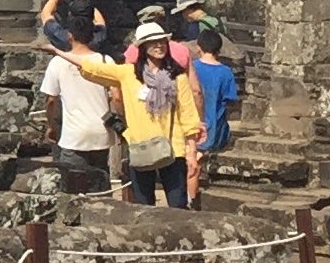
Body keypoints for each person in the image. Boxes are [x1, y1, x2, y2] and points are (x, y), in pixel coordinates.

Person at [72, 20, 203, 207]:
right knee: (143, 205)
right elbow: (93, 68)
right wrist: (58, 52)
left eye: (161, 41)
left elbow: (188, 116)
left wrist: (192, 152)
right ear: (143, 47)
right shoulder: (129, 74)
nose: (159, 46)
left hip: (173, 148)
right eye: (153, 42)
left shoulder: (178, 77)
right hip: (141, 146)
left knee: (177, 205)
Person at [40, 31, 117, 199]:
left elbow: (51, 101)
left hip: (74, 135)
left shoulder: (58, 63)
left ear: (70, 36)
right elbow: (117, 96)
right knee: (101, 189)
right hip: (102, 132)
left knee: (72, 192)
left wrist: (51, 126)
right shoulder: (106, 60)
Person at [188, 20, 241, 201]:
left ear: (198, 47)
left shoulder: (192, 68)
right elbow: (231, 101)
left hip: (191, 123)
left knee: (192, 160)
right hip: (215, 126)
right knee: (197, 159)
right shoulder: (225, 72)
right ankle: (193, 196)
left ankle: (191, 198)